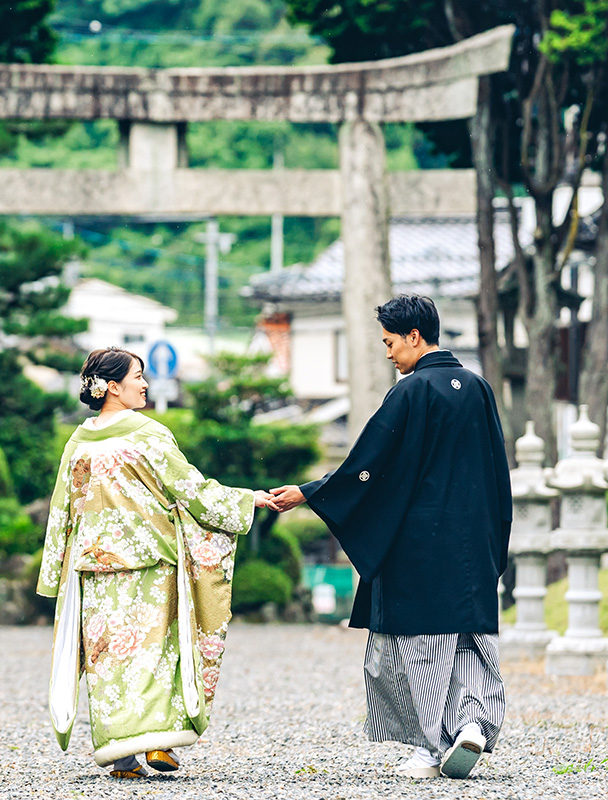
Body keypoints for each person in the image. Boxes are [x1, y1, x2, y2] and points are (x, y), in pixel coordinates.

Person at [270, 295, 511, 780]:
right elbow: (496, 471)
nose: (388, 354)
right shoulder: (479, 389)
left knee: (419, 645)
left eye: (389, 343)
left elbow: (370, 470)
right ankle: (471, 721)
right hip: (473, 540)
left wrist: (311, 493)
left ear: (414, 337)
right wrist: (492, 537)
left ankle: (430, 747)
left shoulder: (411, 392)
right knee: (468, 638)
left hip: (420, 544)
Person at [38, 346, 275, 779]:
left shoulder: (79, 441)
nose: (145, 384)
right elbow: (191, 490)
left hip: (96, 566)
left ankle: (122, 754)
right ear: (112, 386)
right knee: (158, 653)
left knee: (107, 658)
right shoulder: (148, 434)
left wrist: (54, 570)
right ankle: (159, 742)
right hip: (150, 562)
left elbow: (63, 508)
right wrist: (247, 500)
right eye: (137, 376)